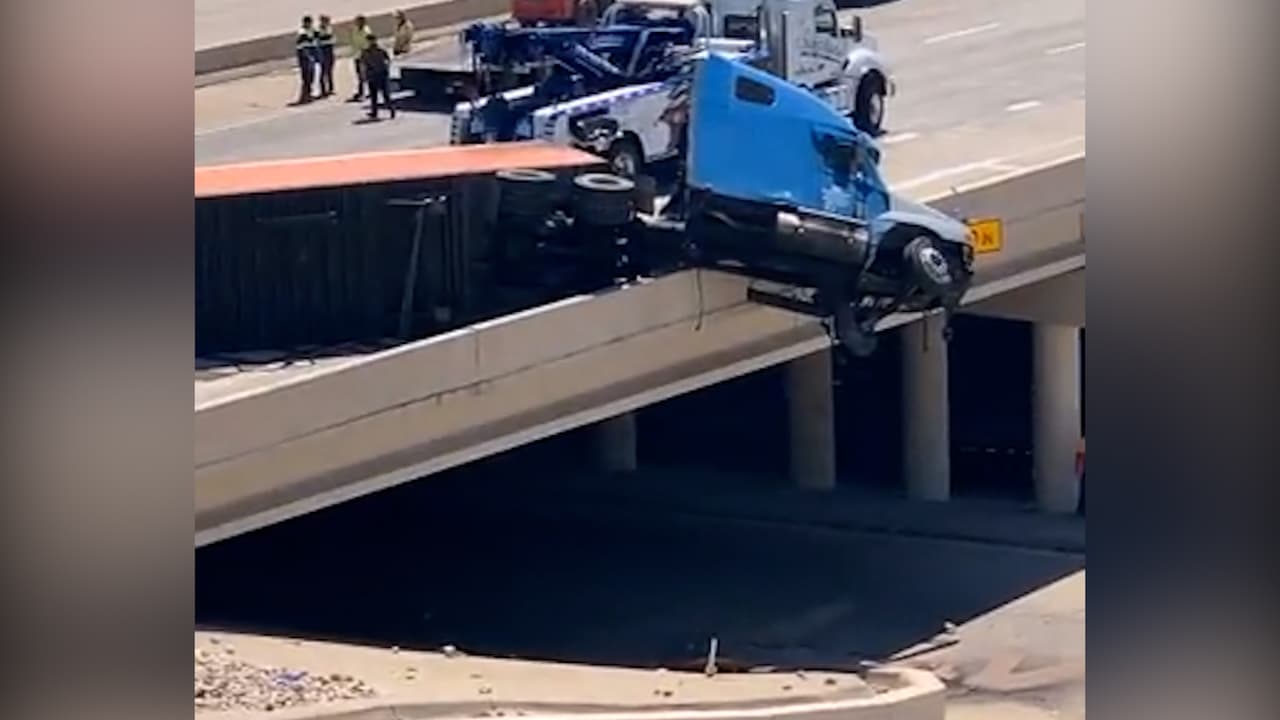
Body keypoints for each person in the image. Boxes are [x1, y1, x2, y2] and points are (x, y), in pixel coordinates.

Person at [361, 34, 395, 119]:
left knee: (385, 94)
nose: (370, 42)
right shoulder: (366, 52)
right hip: (374, 75)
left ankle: (391, 110)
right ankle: (375, 112)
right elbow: (363, 64)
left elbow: (388, 60)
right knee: (374, 95)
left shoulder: (380, 50)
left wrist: (386, 69)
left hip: (380, 74)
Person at [294, 16, 319, 104]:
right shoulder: (302, 32)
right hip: (305, 57)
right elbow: (301, 46)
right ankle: (304, 96)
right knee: (306, 77)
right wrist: (308, 56)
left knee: (311, 76)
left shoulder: (312, 30)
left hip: (311, 55)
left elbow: (316, 39)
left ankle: (309, 94)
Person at [347, 15, 372, 101]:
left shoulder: (366, 31)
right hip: (356, 55)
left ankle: (364, 93)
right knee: (359, 75)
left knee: (363, 75)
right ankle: (361, 92)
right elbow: (352, 41)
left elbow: (367, 44)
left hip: (364, 56)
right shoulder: (354, 30)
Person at [315, 15, 337, 97]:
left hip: (330, 51)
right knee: (323, 72)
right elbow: (318, 42)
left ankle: (331, 89)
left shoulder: (329, 29)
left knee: (330, 71)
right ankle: (323, 90)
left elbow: (333, 40)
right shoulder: (318, 31)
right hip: (323, 52)